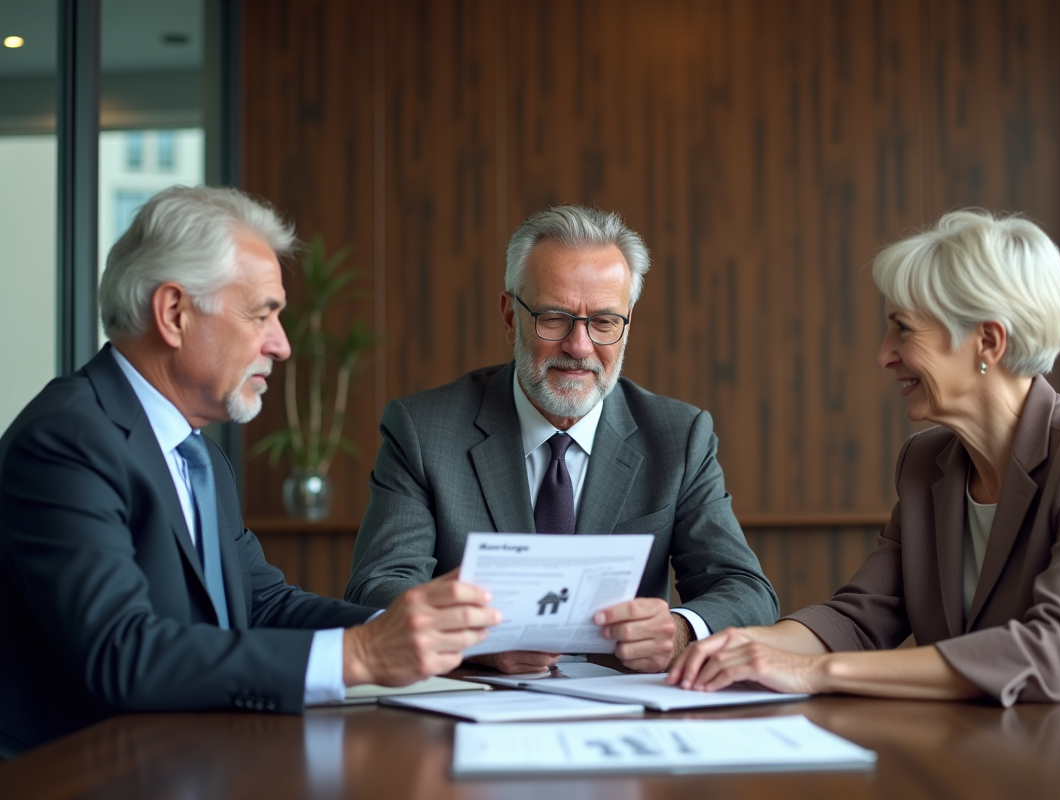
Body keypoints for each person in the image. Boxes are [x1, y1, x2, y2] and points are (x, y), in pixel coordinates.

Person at [668, 209, 1060, 759]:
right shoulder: (926, 464)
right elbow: (860, 616)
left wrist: (812, 671)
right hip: (997, 755)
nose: (883, 354)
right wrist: (741, 645)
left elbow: (1051, 655)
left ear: (987, 342)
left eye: (903, 329)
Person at [0, 186, 500, 755]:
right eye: (263, 314)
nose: (282, 346)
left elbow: (263, 606)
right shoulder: (66, 439)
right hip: (73, 776)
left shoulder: (201, 457)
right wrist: (360, 655)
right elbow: (120, 652)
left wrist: (416, 628)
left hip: (187, 761)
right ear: (174, 313)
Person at [345, 205, 778, 674]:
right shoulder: (423, 430)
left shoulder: (678, 436)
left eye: (605, 322)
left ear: (627, 324)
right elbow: (377, 587)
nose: (579, 346)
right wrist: (478, 643)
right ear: (511, 315)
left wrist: (677, 632)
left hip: (623, 714)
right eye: (554, 318)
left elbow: (747, 591)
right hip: (476, 704)